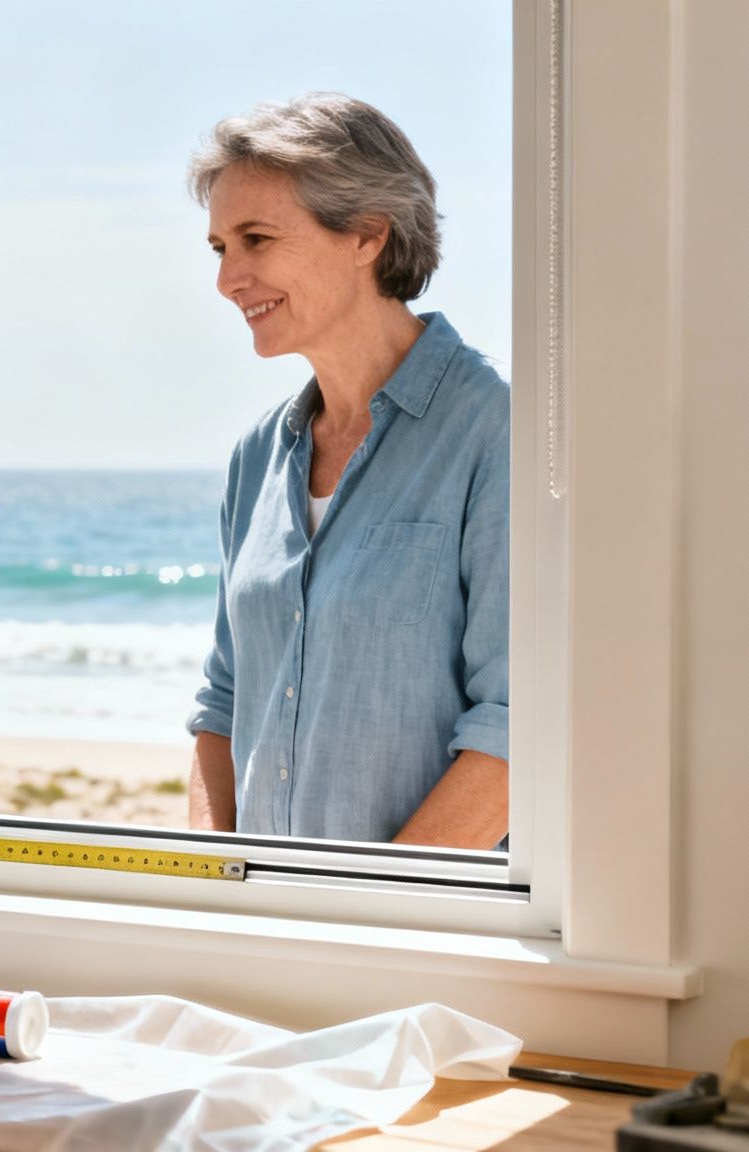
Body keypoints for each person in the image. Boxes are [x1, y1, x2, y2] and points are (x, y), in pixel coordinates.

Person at [183, 95, 509, 848]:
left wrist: (368, 920)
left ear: (366, 234)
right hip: (269, 932)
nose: (229, 279)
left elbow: (517, 732)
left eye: (256, 239)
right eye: (219, 248)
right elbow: (223, 705)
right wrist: (213, 888)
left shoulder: (499, 434)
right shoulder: (257, 458)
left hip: (418, 940)